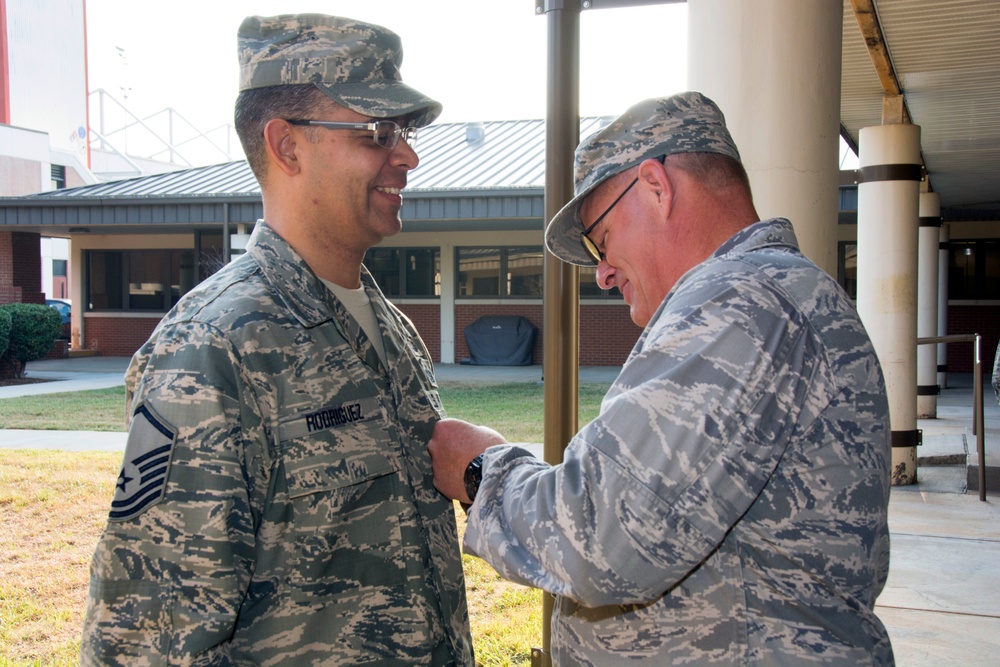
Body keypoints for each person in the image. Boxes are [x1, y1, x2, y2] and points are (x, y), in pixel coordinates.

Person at [429, 92, 894, 665]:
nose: (600, 272)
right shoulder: (771, 296)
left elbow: (601, 538)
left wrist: (482, 470)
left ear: (656, 186)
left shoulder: (741, 300)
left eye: (600, 237)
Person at [82, 14, 473, 665]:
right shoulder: (214, 348)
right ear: (287, 146)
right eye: (379, 132)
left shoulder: (389, 328)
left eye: (403, 132)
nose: (407, 155)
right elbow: (143, 638)